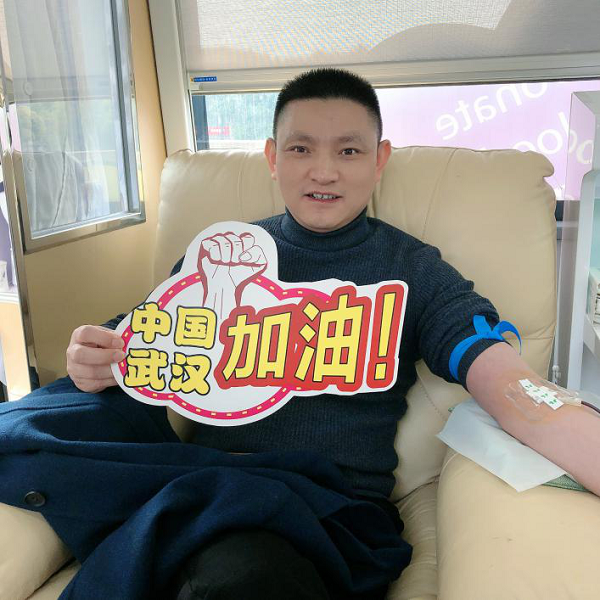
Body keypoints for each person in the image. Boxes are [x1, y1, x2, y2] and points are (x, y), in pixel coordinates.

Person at [3, 68, 600, 600]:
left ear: (379, 159)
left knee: (240, 576)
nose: (324, 171)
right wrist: (93, 356)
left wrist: (543, 406)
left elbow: (506, 379)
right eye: (300, 148)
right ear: (272, 157)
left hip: (330, 510)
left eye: (349, 150)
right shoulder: (221, 253)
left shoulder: (413, 271)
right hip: (204, 490)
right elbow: (137, 338)